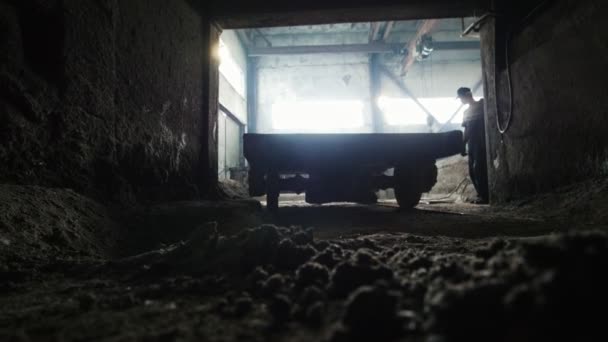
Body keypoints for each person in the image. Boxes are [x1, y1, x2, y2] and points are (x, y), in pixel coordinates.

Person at [457, 87, 489, 204]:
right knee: (472, 170)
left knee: (480, 168)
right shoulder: (465, 113)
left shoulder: (482, 105)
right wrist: (462, 144)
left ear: (468, 95)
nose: (461, 100)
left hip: (482, 141)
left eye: (461, 97)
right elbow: (466, 130)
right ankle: (480, 194)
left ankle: (485, 196)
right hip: (472, 144)